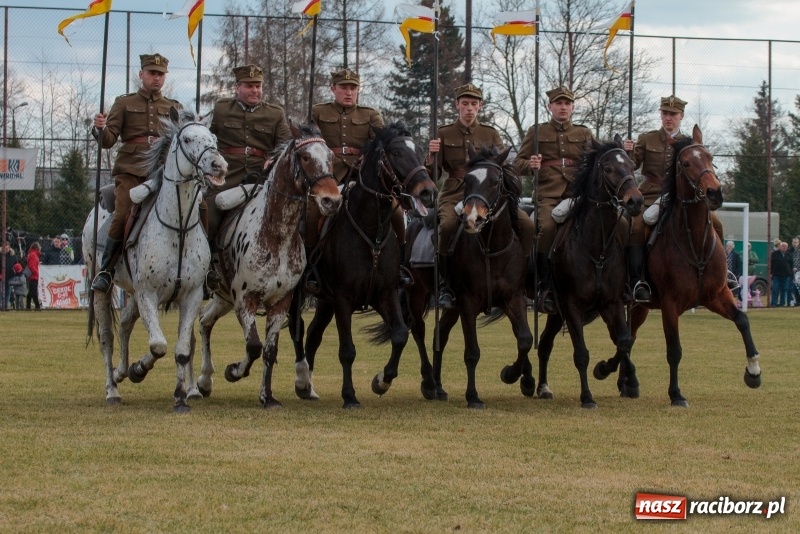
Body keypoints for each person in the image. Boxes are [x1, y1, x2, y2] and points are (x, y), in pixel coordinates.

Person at [428, 82, 535, 308]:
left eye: (473, 104)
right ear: (457, 104)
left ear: (480, 106)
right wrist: (432, 156)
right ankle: (446, 285)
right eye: (465, 103)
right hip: (456, 190)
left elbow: (502, 167)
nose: (469, 108)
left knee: (526, 224)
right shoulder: (444, 132)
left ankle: (521, 280)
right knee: (447, 226)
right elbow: (434, 173)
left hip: (487, 193)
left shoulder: (491, 133)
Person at [308, 68, 410, 290]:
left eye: (353, 88)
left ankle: (401, 263)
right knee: (311, 214)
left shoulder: (370, 115)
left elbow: (382, 143)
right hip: (329, 179)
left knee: (397, 212)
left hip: (361, 179)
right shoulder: (317, 111)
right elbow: (309, 141)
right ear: (333, 89)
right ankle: (310, 269)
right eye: (343, 88)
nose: (348, 92)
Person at [90, 53, 183, 293]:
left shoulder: (174, 107)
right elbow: (108, 140)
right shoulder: (123, 103)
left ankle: (201, 271)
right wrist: (99, 130)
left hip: (163, 172)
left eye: (160, 74)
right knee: (122, 215)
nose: (156, 78)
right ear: (141, 75)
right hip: (131, 170)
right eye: (152, 73)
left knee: (194, 208)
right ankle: (106, 271)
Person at [205, 63, 292, 290]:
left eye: (258, 86)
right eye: (250, 86)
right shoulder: (222, 109)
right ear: (238, 87)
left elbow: (285, 144)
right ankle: (206, 270)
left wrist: (273, 159)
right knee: (208, 215)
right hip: (226, 177)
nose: (255, 90)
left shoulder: (275, 113)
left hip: (261, 179)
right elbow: (206, 138)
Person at [513, 86, 593, 314]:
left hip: (577, 195)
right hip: (548, 195)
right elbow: (517, 163)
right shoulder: (536, 131)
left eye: (567, 104)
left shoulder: (584, 133)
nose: (563, 107)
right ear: (550, 107)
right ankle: (543, 285)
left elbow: (595, 162)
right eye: (558, 103)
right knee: (546, 227)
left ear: (573, 107)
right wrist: (531, 165)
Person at [770, 241, 792, 307]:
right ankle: (773, 303)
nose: (784, 247)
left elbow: (791, 264)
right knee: (775, 289)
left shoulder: (789, 254)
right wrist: (771, 273)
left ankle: (782, 304)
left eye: (785, 246)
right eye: (783, 246)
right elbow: (771, 264)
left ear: (787, 247)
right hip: (776, 275)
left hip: (786, 275)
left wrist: (790, 272)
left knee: (784, 290)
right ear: (780, 246)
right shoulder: (774, 254)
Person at [2, 241, 18, 310]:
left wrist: (14, 272)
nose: (6, 250)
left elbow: (16, 265)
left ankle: (5, 306)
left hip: (9, 277)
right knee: (1, 292)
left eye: (7, 248)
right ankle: (1, 305)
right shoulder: (1, 255)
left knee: (8, 292)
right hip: (1, 277)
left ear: (9, 248)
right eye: (4, 249)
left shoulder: (13, 256)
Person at [25, 241, 41, 310]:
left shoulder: (31, 254)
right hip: (33, 276)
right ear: (37, 248)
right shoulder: (33, 255)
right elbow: (32, 266)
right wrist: (37, 273)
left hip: (32, 276)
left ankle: (28, 306)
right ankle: (37, 306)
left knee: (30, 292)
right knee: (34, 292)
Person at [790, 236, 800, 306]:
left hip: (798, 272)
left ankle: (798, 301)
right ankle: (793, 301)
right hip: (791, 273)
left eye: (796, 242)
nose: (795, 244)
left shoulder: (799, 252)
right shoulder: (789, 252)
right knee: (792, 287)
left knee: (798, 287)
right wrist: (791, 268)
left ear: (798, 243)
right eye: (793, 242)